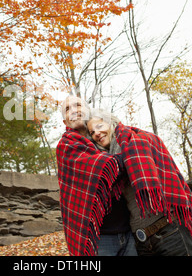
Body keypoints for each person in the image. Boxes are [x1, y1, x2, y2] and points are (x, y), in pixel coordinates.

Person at [86, 108, 192, 256]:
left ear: (111, 123)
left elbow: (174, 181)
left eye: (99, 126)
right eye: (92, 132)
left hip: (171, 231)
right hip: (141, 241)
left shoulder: (138, 140)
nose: (96, 133)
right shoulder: (105, 159)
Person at [56, 95, 137, 256]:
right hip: (99, 239)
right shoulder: (67, 146)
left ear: (87, 110)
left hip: (129, 231)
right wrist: (130, 155)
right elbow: (106, 167)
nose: (73, 111)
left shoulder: (109, 137)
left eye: (78, 105)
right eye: (67, 109)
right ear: (65, 122)